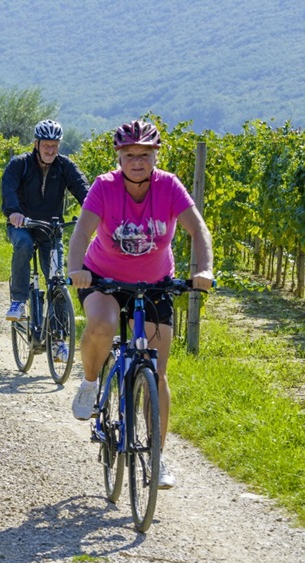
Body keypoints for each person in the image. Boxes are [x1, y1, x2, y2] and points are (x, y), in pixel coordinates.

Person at [67, 119, 214, 490]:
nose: (136, 161)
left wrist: (205, 269)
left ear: (154, 156)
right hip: (104, 279)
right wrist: (75, 269)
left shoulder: (169, 186)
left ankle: (157, 456)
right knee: (101, 324)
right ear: (119, 157)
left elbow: (198, 229)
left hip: (154, 285)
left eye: (144, 155)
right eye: (129, 155)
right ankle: (88, 382)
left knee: (157, 371)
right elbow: (83, 231)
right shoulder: (104, 187)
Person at [2, 119, 90, 362]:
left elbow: (83, 189)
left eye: (55, 145)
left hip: (51, 229)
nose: (50, 150)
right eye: (46, 145)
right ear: (36, 144)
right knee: (24, 245)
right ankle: (19, 301)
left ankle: (59, 341)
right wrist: (14, 212)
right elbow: (8, 188)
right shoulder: (19, 165)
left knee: (57, 282)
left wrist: (93, 211)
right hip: (23, 225)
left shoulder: (65, 166)